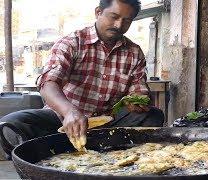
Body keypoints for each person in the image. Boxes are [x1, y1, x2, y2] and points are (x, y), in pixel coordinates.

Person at [0, 0, 164, 159]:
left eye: (127, 21)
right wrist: (69, 111)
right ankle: (62, 144)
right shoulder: (72, 43)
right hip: (61, 120)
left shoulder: (134, 52)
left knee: (153, 116)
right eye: (114, 17)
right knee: (11, 123)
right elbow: (48, 83)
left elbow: (139, 91)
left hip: (107, 124)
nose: (119, 25)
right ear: (98, 12)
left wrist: (138, 102)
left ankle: (100, 147)